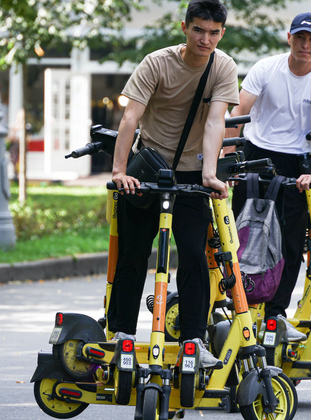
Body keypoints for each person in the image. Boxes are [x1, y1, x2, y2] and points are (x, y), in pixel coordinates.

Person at [108, 0, 238, 367]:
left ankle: (193, 340)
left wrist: (210, 173)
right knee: (133, 252)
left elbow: (216, 122)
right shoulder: (156, 62)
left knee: (195, 258)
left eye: (214, 32)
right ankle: (122, 333)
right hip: (148, 170)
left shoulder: (223, 66)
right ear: (185, 28)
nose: (205, 39)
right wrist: (121, 171)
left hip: (190, 175)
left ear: (221, 33)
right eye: (199, 29)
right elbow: (131, 116)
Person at [225, 12, 311, 341]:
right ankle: (240, 309)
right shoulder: (266, 68)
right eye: (300, 37)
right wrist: (227, 163)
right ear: (289, 37)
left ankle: (275, 314)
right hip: (257, 153)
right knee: (241, 237)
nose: (306, 45)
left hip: (296, 164)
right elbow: (239, 115)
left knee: (290, 244)